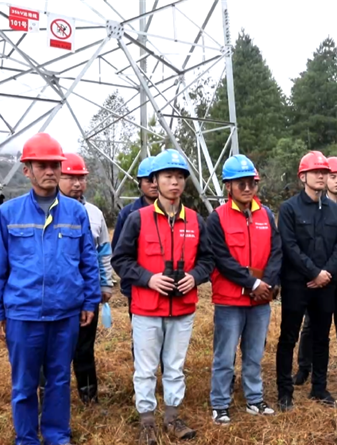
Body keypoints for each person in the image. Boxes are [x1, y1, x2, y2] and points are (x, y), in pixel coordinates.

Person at [0, 132, 101, 445]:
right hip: (23, 314)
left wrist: (90, 301)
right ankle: (26, 438)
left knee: (59, 380)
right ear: (27, 170)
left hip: (65, 314)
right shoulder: (8, 214)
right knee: (24, 383)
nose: (50, 170)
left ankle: (57, 435)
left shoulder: (76, 213)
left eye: (55, 165)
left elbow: (88, 261)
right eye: (42, 165)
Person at [111, 149, 215, 444]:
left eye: (180, 177)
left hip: (182, 309)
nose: (175, 182)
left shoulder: (195, 220)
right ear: (155, 181)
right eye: (168, 176)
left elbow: (208, 260)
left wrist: (195, 277)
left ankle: (172, 417)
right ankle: (147, 421)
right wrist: (149, 278)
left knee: (175, 367)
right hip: (146, 308)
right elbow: (120, 259)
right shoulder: (137, 218)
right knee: (145, 369)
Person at [206, 155, 282, 425]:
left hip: (260, 302)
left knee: (254, 354)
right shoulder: (217, 218)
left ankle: (254, 399)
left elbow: (276, 251)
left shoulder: (266, 215)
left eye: (252, 183)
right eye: (241, 184)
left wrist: (267, 284)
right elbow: (222, 259)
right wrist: (252, 284)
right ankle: (220, 403)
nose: (247, 188)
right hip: (230, 301)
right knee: (224, 355)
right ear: (228, 186)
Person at [275, 150, 337, 411]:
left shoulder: (334, 210)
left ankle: (319, 388)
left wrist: (325, 273)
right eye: (315, 172)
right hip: (297, 284)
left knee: (321, 337)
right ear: (302, 177)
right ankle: (285, 392)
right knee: (289, 337)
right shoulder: (289, 208)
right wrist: (313, 272)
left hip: (326, 285)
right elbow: (289, 246)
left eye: (324, 172)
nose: (321, 176)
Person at [52, 152, 114, 405]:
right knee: (52, 350)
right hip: (55, 294)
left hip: (86, 293)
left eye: (81, 178)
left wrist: (105, 284)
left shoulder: (94, 213)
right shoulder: (48, 210)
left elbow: (103, 251)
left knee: (84, 347)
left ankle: (89, 398)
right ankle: (50, 399)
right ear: (58, 177)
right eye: (70, 178)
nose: (77, 184)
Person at [294, 156, 337, 385]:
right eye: (333, 177)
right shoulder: (316, 206)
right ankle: (304, 367)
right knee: (309, 325)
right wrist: (317, 273)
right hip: (317, 277)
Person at [112, 156, 159, 320]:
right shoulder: (128, 214)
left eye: (157, 179)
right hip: (136, 286)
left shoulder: (177, 213)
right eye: (148, 180)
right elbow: (118, 253)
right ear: (140, 183)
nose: (154, 185)